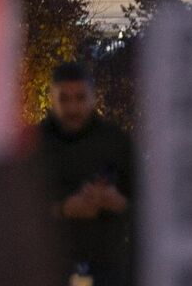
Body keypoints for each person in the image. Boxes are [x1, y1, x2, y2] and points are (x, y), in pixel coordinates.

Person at [36, 62, 134, 286]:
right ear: (53, 98)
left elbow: (148, 202)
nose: (72, 108)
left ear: (93, 97)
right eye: (64, 99)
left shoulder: (116, 142)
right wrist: (63, 209)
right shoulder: (35, 146)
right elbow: (15, 208)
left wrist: (118, 203)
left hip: (109, 270)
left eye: (80, 98)